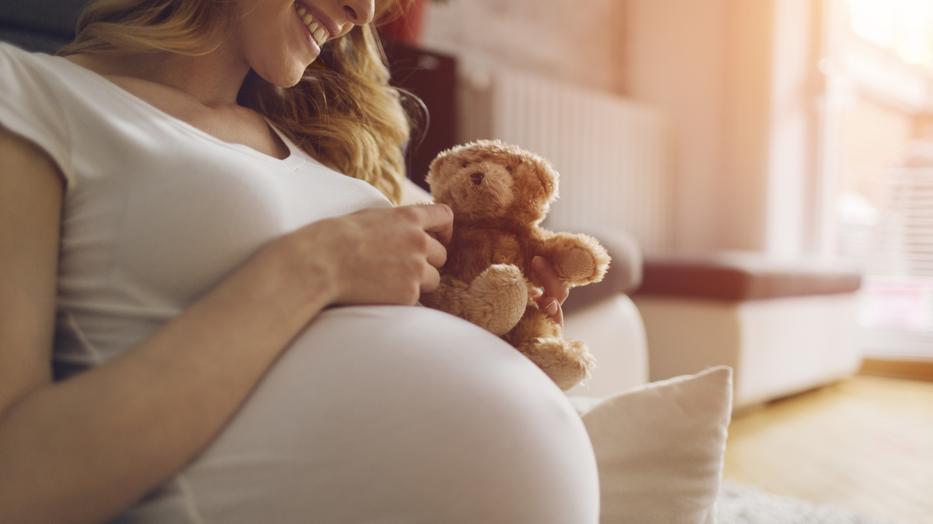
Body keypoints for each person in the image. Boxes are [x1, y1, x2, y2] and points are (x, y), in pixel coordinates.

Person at [0, 1, 600, 522]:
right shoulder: (30, 91)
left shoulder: (318, 140)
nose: (364, 10)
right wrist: (317, 266)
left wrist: (496, 297)